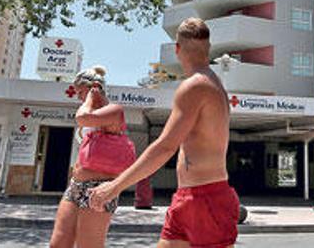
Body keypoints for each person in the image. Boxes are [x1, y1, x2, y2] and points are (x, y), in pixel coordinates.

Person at [88, 18, 239, 248]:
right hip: (189, 198)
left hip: (206, 199)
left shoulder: (196, 86)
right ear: (208, 49)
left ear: (177, 49)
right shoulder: (212, 84)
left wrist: (115, 187)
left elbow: (165, 146)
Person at [50, 65, 137, 248]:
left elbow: (82, 118)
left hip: (100, 189)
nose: (78, 97)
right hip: (75, 186)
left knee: (88, 245)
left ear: (94, 88)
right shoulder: (90, 111)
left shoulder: (114, 111)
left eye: (81, 92)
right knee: (58, 243)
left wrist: (91, 96)